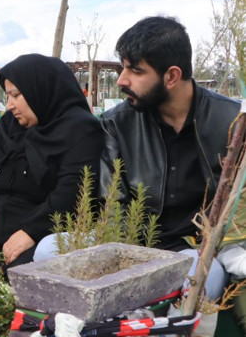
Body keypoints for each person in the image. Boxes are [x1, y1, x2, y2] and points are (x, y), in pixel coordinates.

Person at [97, 16, 240, 299]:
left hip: (197, 250)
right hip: (134, 248)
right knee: (50, 248)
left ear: (172, 76)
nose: (122, 80)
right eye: (123, 68)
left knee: (201, 276)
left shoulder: (233, 122)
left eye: (136, 71)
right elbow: (112, 204)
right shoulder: (117, 123)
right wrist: (134, 259)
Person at [0, 54, 104, 269]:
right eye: (7, 96)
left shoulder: (80, 130)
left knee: (15, 280)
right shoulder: (12, 125)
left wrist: (31, 231)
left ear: (40, 91)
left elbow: (72, 191)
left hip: (41, 237)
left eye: (16, 95)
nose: (9, 105)